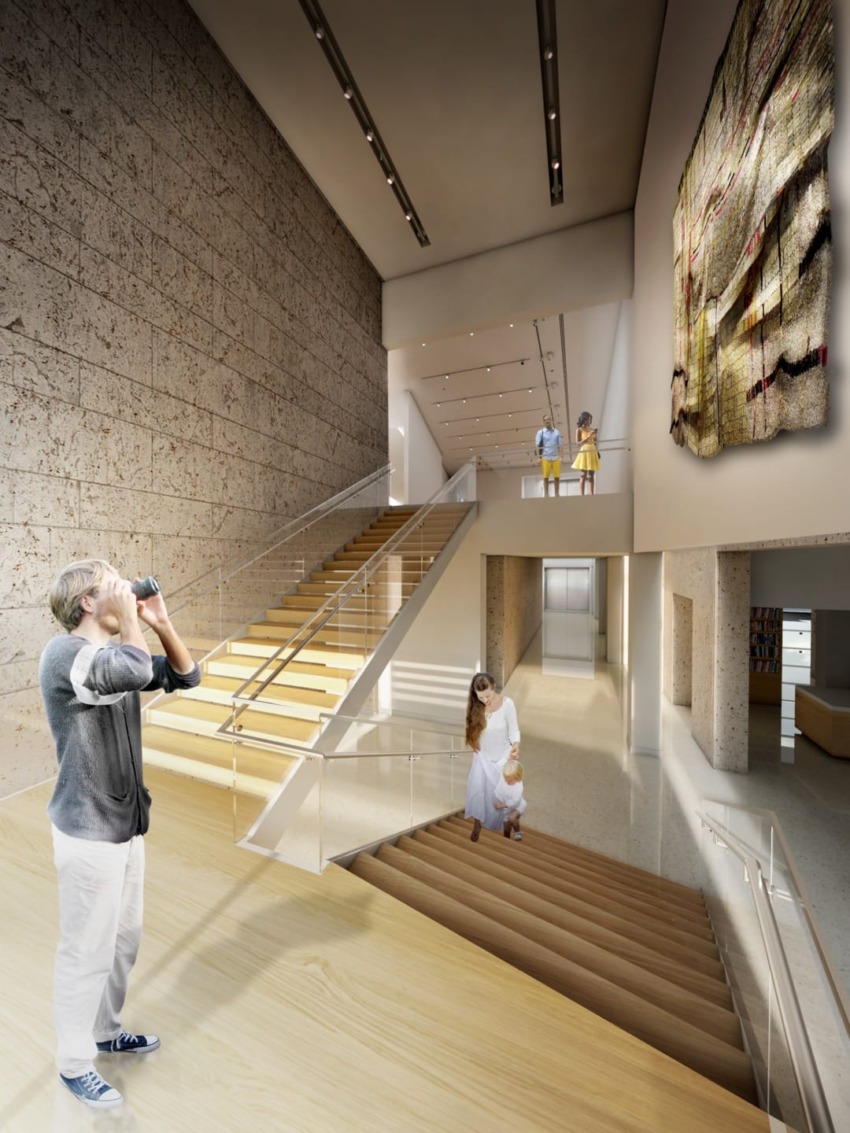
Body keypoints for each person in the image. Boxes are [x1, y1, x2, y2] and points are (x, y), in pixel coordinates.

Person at [39, 559, 201, 1110]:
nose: (124, 587)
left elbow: (185, 675)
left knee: (124, 939)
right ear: (88, 601)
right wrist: (131, 622)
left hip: (127, 826)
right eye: (113, 582)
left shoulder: (113, 653)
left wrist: (159, 621)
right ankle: (74, 1063)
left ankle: (106, 1031)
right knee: (86, 949)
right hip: (87, 830)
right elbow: (130, 670)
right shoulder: (65, 656)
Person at [464, 672, 520, 841]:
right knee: (478, 791)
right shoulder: (476, 705)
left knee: (500, 796)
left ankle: (505, 827)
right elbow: (472, 728)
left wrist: (516, 745)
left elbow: (514, 730)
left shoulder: (507, 704)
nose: (485, 700)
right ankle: (477, 825)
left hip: (502, 758)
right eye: (480, 697)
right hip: (482, 758)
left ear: (493, 687)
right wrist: (474, 740)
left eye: (487, 695)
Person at [494, 759, 527, 841]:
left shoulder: (518, 787)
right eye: (506, 779)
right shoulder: (504, 776)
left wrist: (502, 805)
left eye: (511, 780)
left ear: (518, 777)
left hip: (517, 805)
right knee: (506, 826)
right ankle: (506, 838)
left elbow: (515, 802)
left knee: (512, 819)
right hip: (506, 808)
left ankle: (517, 832)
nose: (507, 781)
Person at [571, 411, 600, 495]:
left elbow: (595, 442)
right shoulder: (579, 430)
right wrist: (588, 436)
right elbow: (577, 443)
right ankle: (582, 494)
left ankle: (592, 493)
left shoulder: (591, 429)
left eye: (590, 420)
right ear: (583, 420)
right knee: (583, 474)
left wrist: (595, 435)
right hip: (584, 450)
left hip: (592, 450)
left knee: (591, 474)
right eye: (587, 419)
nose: (588, 421)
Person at [534, 414, 563, 497]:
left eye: (548, 419)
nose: (547, 421)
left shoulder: (557, 432)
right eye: (545, 420)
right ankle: (546, 494)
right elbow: (537, 445)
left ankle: (557, 493)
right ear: (543, 421)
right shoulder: (540, 432)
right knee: (545, 477)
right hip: (545, 456)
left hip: (555, 456)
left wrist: (561, 457)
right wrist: (539, 458)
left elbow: (560, 445)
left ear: (551, 420)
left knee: (557, 476)